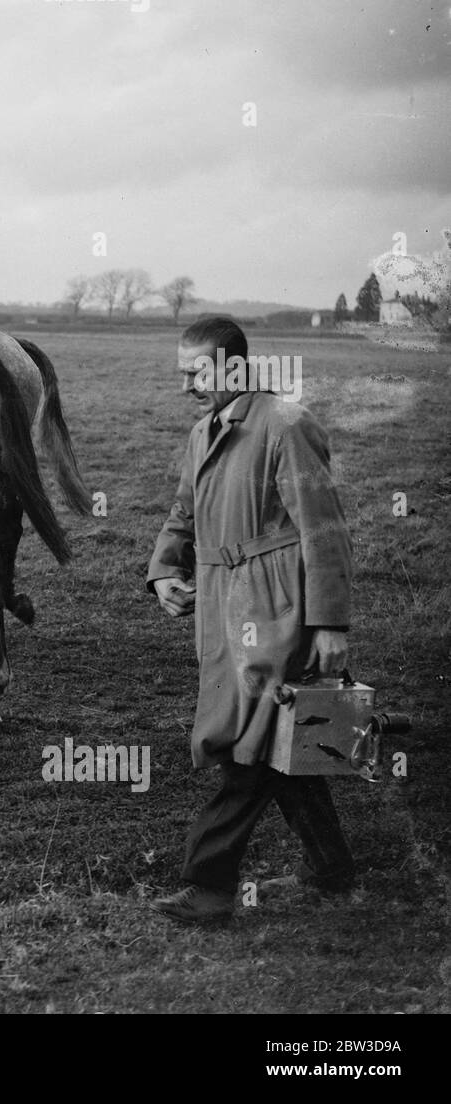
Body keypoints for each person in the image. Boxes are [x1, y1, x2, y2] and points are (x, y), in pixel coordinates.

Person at [146, 316, 355, 922]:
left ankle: (208, 886)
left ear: (234, 367)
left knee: (251, 744)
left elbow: (324, 530)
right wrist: (163, 572)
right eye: (182, 373)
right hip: (220, 605)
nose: (187, 385)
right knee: (284, 740)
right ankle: (335, 870)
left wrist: (329, 623)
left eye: (197, 372)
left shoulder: (285, 425)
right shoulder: (202, 432)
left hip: (276, 606)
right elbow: (183, 514)